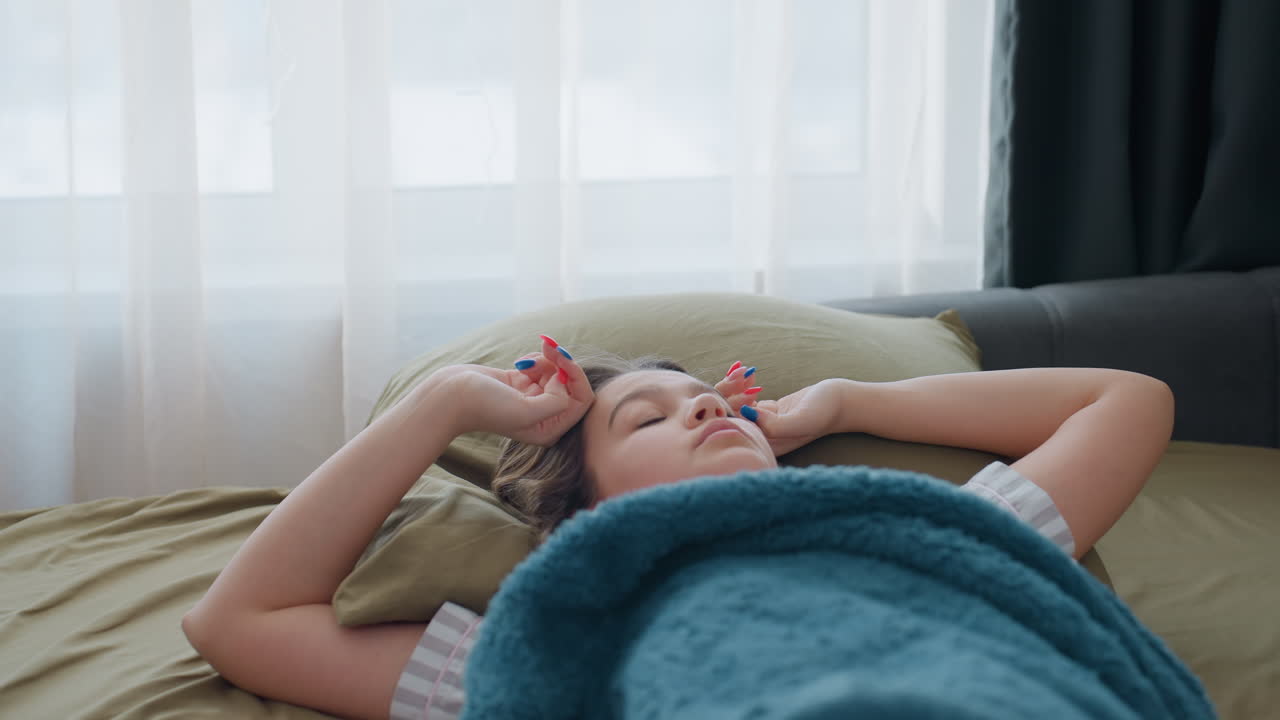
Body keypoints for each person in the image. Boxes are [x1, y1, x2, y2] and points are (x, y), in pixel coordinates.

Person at [181, 334, 1175, 720]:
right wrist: (441, 404)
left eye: (714, 401)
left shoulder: (918, 528)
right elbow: (242, 620)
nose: (704, 409)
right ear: (585, 515)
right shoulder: (554, 630)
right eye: (646, 417)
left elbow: (1127, 399)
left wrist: (841, 402)